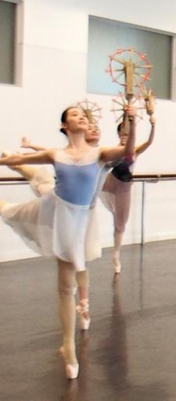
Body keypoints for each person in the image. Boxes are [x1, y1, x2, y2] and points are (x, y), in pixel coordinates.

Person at [0, 105, 136, 379]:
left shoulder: (99, 153)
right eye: (75, 115)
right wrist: (9, 159)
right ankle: (68, 345)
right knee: (64, 284)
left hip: (79, 217)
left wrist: (133, 122)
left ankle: (72, 334)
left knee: (71, 278)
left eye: (83, 115)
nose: (81, 117)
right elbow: (21, 158)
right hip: (56, 209)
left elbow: (127, 151)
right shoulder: (56, 154)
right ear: (65, 126)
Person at [99, 110, 156, 274]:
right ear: (118, 134)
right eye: (122, 134)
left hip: (124, 187)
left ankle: (116, 254)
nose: (124, 136)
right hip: (110, 182)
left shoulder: (134, 150)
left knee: (120, 223)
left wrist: (153, 125)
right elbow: (105, 163)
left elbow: (149, 142)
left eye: (127, 134)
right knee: (90, 196)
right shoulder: (113, 150)